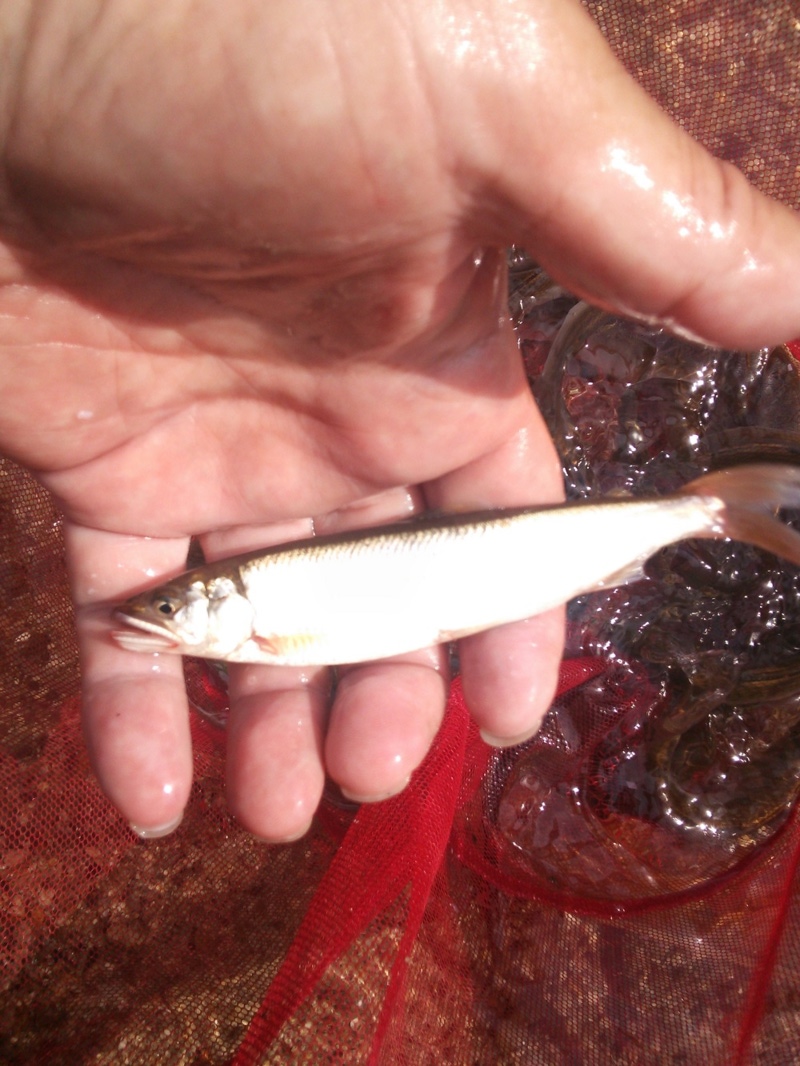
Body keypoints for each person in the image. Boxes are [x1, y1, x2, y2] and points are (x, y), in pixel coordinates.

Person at [1, 0, 799, 843]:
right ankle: (718, 510)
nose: (159, 621)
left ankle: (716, 509)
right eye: (171, 608)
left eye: (174, 610)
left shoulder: (265, 620)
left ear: (225, 601)